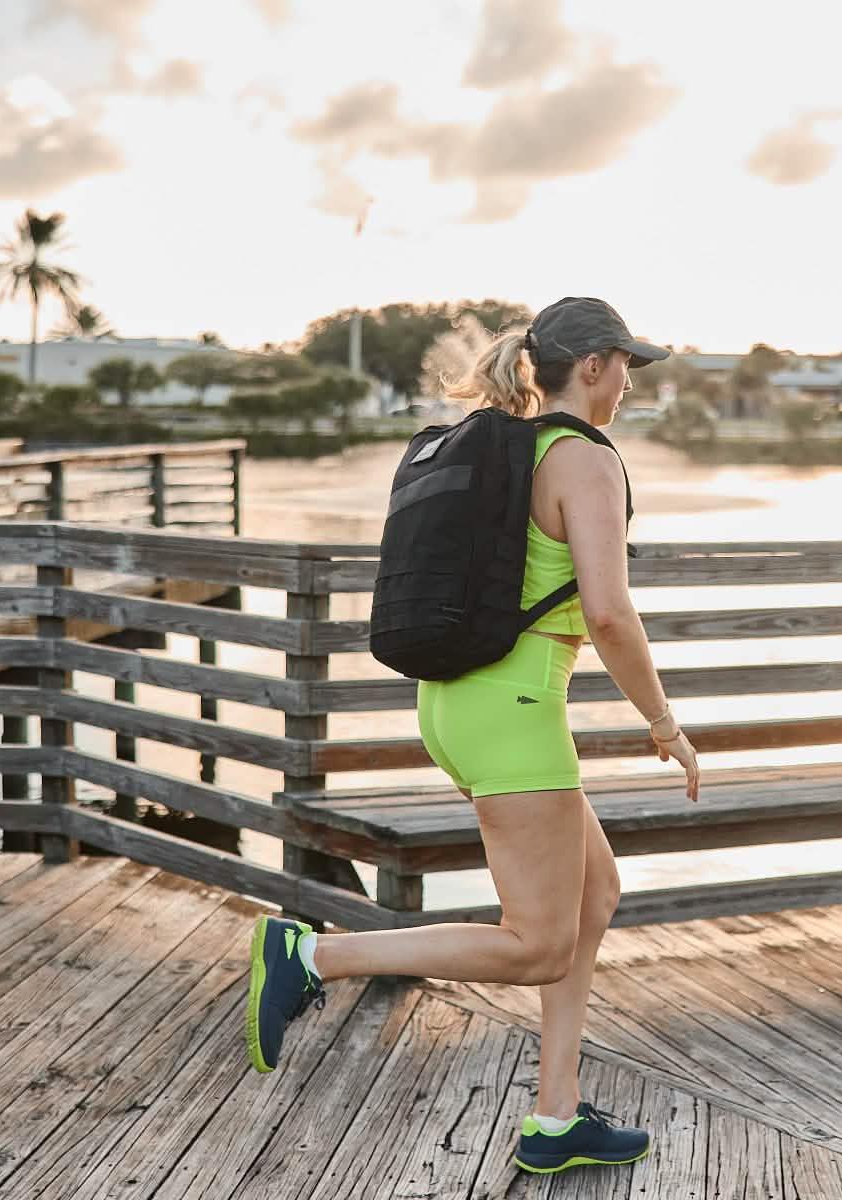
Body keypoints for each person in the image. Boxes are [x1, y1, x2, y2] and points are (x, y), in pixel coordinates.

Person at [245, 296, 701, 1176]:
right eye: (629, 366)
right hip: (514, 709)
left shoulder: (512, 449)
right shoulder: (584, 458)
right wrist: (662, 719)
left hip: (456, 705)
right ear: (597, 364)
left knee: (590, 897)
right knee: (536, 941)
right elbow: (607, 612)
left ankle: (557, 1118)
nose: (632, 385)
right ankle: (313, 956)